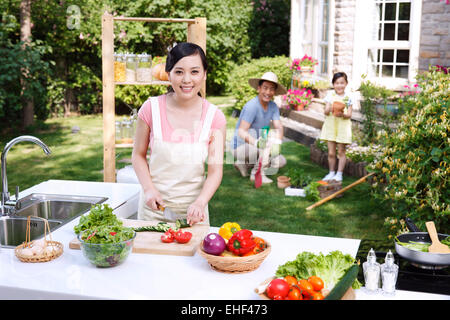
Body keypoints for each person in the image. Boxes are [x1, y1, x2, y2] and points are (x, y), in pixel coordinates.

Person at [132, 42, 226, 226]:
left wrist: (200, 202)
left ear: (204, 74)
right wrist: (149, 190)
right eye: (179, 71)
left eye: (194, 71)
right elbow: (138, 155)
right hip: (153, 212)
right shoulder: (151, 108)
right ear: (168, 75)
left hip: (194, 215)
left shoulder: (215, 117)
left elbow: (215, 171)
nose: (187, 80)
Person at [231, 72, 287, 184]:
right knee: (265, 145)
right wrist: (256, 143)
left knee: (280, 161)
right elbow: (241, 131)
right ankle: (257, 174)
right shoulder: (252, 106)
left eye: (271, 89)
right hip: (240, 147)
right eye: (265, 88)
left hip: (256, 146)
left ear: (274, 92)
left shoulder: (273, 106)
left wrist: (278, 142)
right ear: (259, 88)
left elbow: (279, 127)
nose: (268, 92)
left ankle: (243, 165)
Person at [319, 72, 353, 182]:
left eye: (342, 83)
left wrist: (342, 114)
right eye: (337, 83)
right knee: (331, 152)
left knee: (341, 152)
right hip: (331, 126)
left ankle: (339, 174)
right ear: (333, 84)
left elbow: (349, 115)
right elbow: (325, 112)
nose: (339, 85)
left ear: (346, 84)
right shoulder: (330, 95)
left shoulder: (348, 97)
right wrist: (329, 109)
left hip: (343, 127)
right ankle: (331, 172)